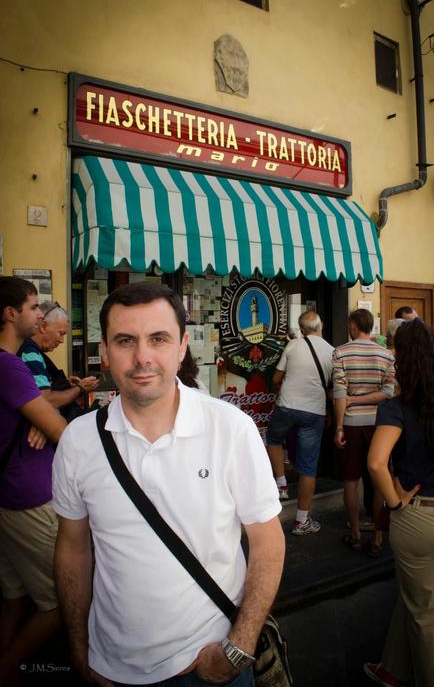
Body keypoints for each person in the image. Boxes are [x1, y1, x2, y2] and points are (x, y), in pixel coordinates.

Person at [53, 281, 285, 687]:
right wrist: (79, 648)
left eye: (158, 339)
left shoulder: (230, 428)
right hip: (111, 667)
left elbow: (268, 541)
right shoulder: (78, 440)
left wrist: (237, 649)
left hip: (208, 664)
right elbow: (73, 548)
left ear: (181, 347)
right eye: (125, 341)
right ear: (105, 352)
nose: (142, 357)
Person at [364, 319, 434, 687]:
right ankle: (391, 669)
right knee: (415, 599)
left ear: (398, 355)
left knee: (421, 613)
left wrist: (394, 503)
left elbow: (375, 462)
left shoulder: (397, 406)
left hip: (418, 519)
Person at [0, 276, 67, 684]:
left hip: (9, 494)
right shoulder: (8, 365)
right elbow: (58, 427)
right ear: (10, 314)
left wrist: (38, 413)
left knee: (15, 597)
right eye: (33, 307)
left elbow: (41, 411)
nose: (40, 315)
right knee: (61, 602)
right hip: (29, 496)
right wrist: (44, 416)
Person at [266, 311, 334, 535]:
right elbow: (335, 388)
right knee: (307, 467)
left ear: (302, 329)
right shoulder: (332, 352)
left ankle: (281, 484)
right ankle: (301, 521)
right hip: (314, 411)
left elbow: (276, 378)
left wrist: (282, 388)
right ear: (321, 325)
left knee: (274, 438)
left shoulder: (293, 345)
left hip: (287, 405)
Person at [333, 309, 395, 555]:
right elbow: (389, 392)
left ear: (353, 325)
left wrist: (339, 425)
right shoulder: (386, 355)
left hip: (351, 423)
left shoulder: (341, 352)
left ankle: (356, 534)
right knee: (379, 480)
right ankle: (378, 537)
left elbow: (340, 394)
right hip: (381, 424)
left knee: (350, 480)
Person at [19, 300, 99, 419]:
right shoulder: (30, 354)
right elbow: (47, 401)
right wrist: (80, 388)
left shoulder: (34, 352)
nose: (62, 340)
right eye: (60, 333)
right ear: (44, 326)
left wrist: (65, 383)